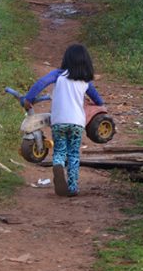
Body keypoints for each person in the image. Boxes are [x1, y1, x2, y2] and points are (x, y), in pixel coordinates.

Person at [21, 44, 104, 197]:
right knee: (73, 154)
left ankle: (58, 164)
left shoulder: (59, 75)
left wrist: (28, 99)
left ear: (66, 59)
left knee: (59, 150)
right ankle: (72, 187)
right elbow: (99, 101)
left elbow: (40, 83)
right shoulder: (86, 81)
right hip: (77, 122)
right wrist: (95, 103)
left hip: (58, 121)